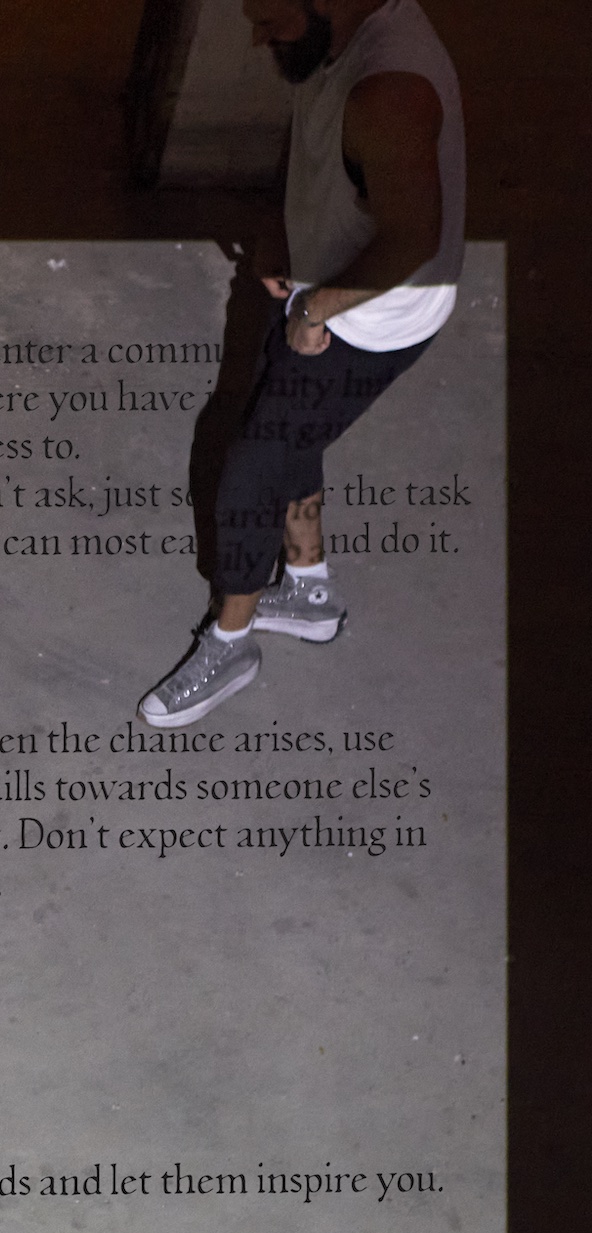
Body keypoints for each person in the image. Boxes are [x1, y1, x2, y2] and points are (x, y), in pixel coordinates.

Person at [138, 0, 464, 727]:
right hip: (326, 290)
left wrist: (319, 311)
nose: (256, 37)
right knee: (286, 431)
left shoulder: (391, 91)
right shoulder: (330, 37)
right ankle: (311, 593)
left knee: (249, 472)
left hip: (369, 320)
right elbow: (317, 138)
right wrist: (281, 233)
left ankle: (231, 645)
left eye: (269, 18)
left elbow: (413, 240)